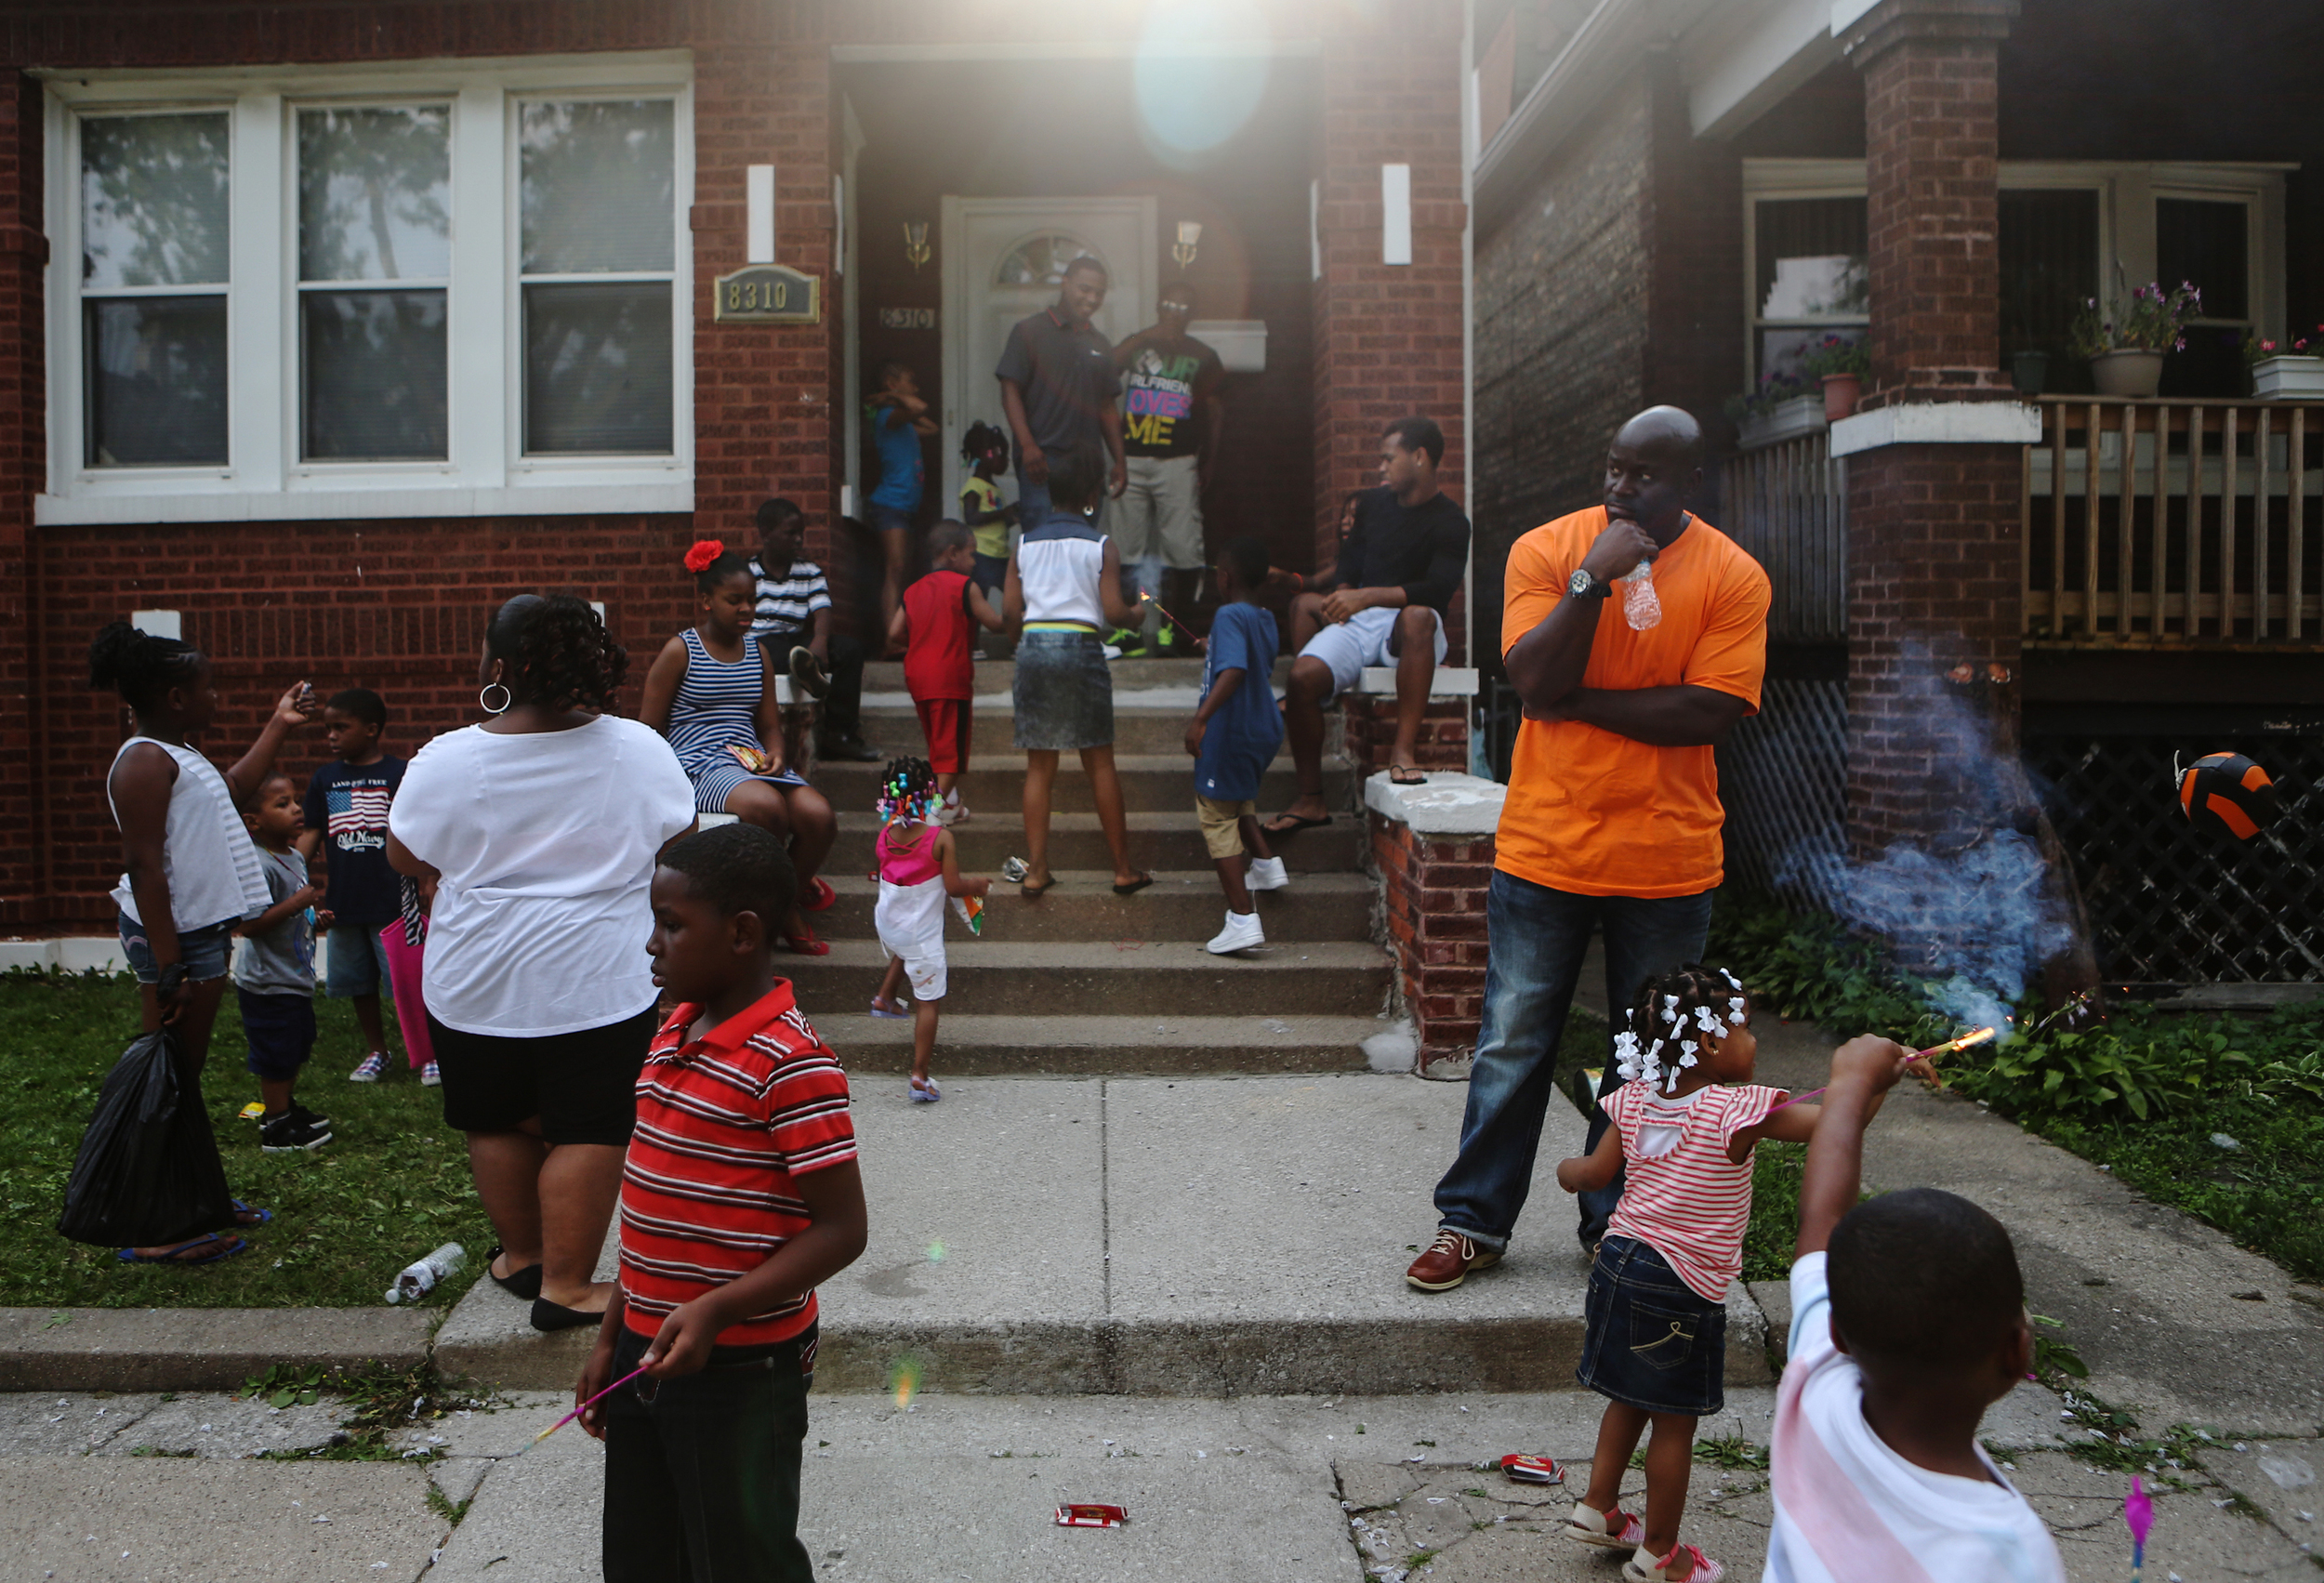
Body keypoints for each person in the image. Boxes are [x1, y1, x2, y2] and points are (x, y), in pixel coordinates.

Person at [1406, 406, 1771, 1295]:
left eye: (1644, 475)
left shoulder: (1733, 574)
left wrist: (1578, 705)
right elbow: (1532, 677)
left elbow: (1710, 710)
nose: (1620, 487)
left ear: (1689, 484)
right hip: (1546, 849)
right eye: (1614, 468)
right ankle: (1473, 1221)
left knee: (1649, 1056)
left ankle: (1620, 1226)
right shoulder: (1547, 549)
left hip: (1667, 860)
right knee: (1511, 1043)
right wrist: (1590, 584)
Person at [388, 594, 697, 1333]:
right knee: (590, 1125)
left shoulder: (448, 756)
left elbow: (405, 855)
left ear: (501, 666)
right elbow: (679, 836)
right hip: (597, 977)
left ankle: (524, 1257)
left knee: (494, 1116)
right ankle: (566, 1284)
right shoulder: (639, 748)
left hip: (475, 977)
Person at [578, 821, 866, 1583]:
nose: (652, 944)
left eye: (671, 925)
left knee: (742, 1559)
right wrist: (612, 1336)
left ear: (742, 934)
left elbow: (841, 1230)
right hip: (647, 1348)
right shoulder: (671, 1031)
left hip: (744, 1367)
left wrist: (716, 1309)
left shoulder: (792, 1064)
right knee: (643, 1555)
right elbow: (648, 1215)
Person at [1552, 967, 1818, 1583]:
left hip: (1618, 1262)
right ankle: (1661, 1553)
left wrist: (1568, 1169)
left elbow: (1593, 1173)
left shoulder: (1636, 1097)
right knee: (1674, 1422)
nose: (1755, 1039)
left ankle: (1598, 1507)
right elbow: (1831, 1121)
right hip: (1680, 1282)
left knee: (1628, 1395)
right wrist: (1866, 1085)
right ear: (1710, 1043)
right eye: (1746, 1027)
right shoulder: (1735, 1111)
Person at [1767, 1042, 2064, 1583]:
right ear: (2017, 1352)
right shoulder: (2012, 1553)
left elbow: (1822, 1217)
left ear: (1837, 1331)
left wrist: (1852, 1079)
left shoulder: (1815, 1388)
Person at [91, 619, 318, 1264]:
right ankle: (152, 1227)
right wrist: (168, 965)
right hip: (175, 942)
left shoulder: (179, 754)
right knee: (168, 1079)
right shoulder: (142, 761)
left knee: (182, 1082)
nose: (218, 697)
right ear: (174, 696)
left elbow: (234, 790)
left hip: (197, 937)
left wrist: (278, 722)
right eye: (208, 687)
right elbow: (144, 866)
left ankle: (197, 1199)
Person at [1264, 416, 1471, 827]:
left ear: (1419, 457)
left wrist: (1366, 595)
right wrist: (1343, 594)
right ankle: (1311, 799)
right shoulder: (1373, 505)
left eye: (1388, 458)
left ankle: (1402, 752)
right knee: (1302, 677)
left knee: (1417, 619)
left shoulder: (1451, 521)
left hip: (1409, 628)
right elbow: (1351, 562)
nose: (1381, 467)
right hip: (1361, 620)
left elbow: (1436, 590)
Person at [642, 541, 839, 956]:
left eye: (752, 599)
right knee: (767, 808)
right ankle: (776, 916)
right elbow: (649, 730)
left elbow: (769, 725)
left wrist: (778, 754)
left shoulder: (759, 652)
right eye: (735, 600)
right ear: (707, 601)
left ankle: (784, 900)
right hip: (696, 762)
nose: (747, 608)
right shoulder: (681, 651)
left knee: (819, 816)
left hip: (749, 759)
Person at [1003, 442, 1154, 899]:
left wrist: (1027, 644)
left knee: (1039, 765)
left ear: (1047, 492)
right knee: (1099, 761)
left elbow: (1011, 613)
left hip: (1034, 646)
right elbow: (1112, 611)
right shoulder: (1101, 544)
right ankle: (1123, 870)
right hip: (1082, 646)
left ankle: (1036, 870)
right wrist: (1138, 612)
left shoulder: (1023, 543)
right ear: (1091, 495)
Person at [296, 688, 409, 1084]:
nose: (330, 736)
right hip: (345, 902)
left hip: (393, 902)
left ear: (372, 730)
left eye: (340, 727)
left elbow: (416, 833)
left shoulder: (400, 773)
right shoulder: (325, 779)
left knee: (406, 983)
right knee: (360, 983)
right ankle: (378, 1051)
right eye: (327, 728)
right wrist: (289, 873)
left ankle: (426, 1051)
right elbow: (312, 832)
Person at [1183, 534, 1289, 956]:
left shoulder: (1228, 615)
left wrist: (1200, 720)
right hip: (1263, 727)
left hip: (1231, 729)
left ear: (1224, 578)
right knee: (1236, 798)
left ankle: (1242, 919)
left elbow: (1234, 671)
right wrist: (1214, 651)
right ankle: (1266, 866)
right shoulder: (1262, 616)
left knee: (1215, 814)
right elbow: (1250, 659)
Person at [866, 756, 991, 1103]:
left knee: (903, 948)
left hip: (888, 925)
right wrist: (977, 885)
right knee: (928, 1001)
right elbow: (953, 887)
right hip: (920, 936)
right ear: (931, 795)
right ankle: (920, 1075)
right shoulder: (940, 840)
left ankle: (885, 997)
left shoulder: (885, 835)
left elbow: (887, 870)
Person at [1112, 281, 1225, 655]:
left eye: (1182, 306)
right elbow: (1107, 367)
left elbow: (1214, 411)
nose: (1174, 312)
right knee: (1127, 548)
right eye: (1168, 305)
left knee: (1184, 550)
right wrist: (1148, 335)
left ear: (1191, 313)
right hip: (1132, 460)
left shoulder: (1203, 355)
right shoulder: (1139, 345)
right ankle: (1129, 632)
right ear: (1158, 308)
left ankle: (1175, 633)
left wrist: (1208, 459)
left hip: (1179, 462)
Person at [235, 772, 331, 1154]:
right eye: (282, 804)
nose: (295, 809)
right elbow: (249, 925)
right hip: (267, 983)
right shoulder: (259, 865)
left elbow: (293, 914)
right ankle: (275, 1126)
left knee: (295, 1045)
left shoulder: (292, 856)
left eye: (295, 800)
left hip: (292, 977)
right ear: (253, 822)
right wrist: (295, 905)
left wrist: (313, 917)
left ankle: (285, 1108)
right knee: (275, 1053)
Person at [996, 254, 1127, 529]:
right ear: (1065, 283)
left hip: (1088, 466)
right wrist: (1028, 445)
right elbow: (1010, 391)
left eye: (1099, 293)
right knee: (1044, 549)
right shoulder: (1029, 331)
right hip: (1043, 464)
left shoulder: (1100, 343)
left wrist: (1120, 460)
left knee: (1084, 552)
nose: (1092, 299)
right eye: (1085, 289)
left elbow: (1106, 407)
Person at [887, 521, 1002, 824]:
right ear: (953, 554)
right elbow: (996, 624)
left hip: (918, 676)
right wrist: (1021, 614)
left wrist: (923, 640)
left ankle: (949, 804)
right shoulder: (965, 586)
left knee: (939, 744)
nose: (974, 561)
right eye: (971, 553)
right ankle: (931, 811)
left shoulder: (912, 590)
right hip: (950, 677)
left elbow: (895, 631)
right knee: (951, 756)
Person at [751, 496, 878, 763]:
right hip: (762, 642)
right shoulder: (748, 572)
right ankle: (807, 672)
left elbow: (822, 608)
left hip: (797, 640)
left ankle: (839, 733)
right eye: (791, 533)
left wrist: (820, 642)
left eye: (802, 533)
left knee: (850, 650)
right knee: (768, 650)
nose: (799, 540)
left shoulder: (809, 571)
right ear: (766, 534)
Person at [865, 360, 937, 635]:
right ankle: (889, 638)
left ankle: (897, 632)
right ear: (893, 384)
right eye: (910, 380)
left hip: (905, 505)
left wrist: (894, 396)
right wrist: (894, 398)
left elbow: (931, 427)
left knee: (903, 571)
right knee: (895, 569)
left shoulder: (903, 423)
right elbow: (919, 407)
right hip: (890, 504)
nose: (916, 386)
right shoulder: (888, 417)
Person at [958, 420, 1018, 600]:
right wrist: (1004, 512)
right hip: (981, 556)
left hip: (1000, 554)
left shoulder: (993, 488)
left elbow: (995, 522)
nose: (1007, 461)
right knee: (977, 604)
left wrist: (1012, 518)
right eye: (1003, 455)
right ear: (987, 454)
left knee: (1016, 598)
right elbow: (972, 517)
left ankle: (1016, 625)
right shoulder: (974, 486)